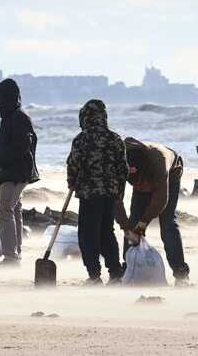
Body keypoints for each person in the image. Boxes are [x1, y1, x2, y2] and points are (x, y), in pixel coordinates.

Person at [66, 100, 128, 285]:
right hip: (110, 194)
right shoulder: (115, 138)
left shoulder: (82, 138)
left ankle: (94, 276)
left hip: (89, 194)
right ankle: (115, 272)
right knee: (106, 232)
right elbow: (123, 169)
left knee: (87, 234)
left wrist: (71, 182)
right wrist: (119, 192)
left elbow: (73, 164)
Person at [124, 137, 190, 286]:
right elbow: (116, 197)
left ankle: (181, 274)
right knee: (132, 223)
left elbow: (160, 201)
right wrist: (126, 224)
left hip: (171, 173)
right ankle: (128, 270)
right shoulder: (120, 161)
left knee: (168, 223)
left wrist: (143, 224)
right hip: (145, 172)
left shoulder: (159, 162)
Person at [0, 78, 39, 266]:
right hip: (15, 170)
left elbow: (21, 147)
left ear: (7, 98)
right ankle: (15, 253)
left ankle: (11, 256)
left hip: (16, 172)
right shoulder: (12, 116)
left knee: (4, 210)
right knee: (14, 209)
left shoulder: (18, 117)